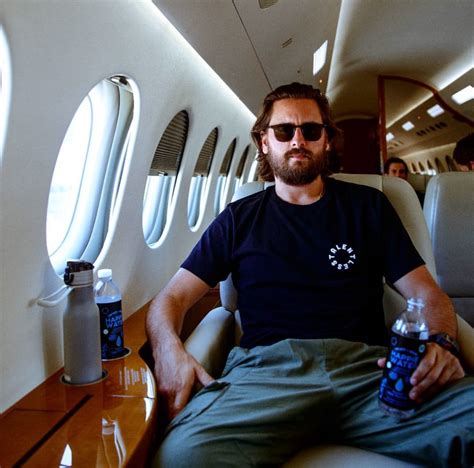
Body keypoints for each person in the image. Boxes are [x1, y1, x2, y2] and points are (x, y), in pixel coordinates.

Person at [146, 82, 473, 467]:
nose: (297, 140)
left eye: (311, 130)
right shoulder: (238, 219)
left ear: (327, 141)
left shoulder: (369, 207)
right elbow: (172, 298)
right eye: (284, 130)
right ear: (265, 142)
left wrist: (442, 343)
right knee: (181, 457)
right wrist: (168, 352)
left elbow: (427, 294)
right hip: (267, 376)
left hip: (367, 374)